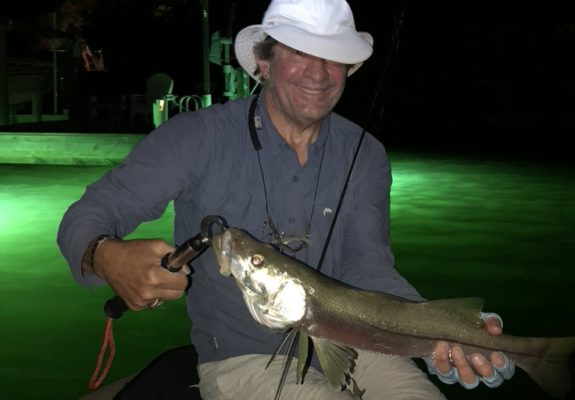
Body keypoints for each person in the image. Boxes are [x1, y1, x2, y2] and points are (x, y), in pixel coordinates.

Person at [58, 0, 514, 399]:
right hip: (244, 355)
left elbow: (368, 265)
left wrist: (444, 329)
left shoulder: (366, 154)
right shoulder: (197, 137)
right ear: (264, 62)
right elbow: (89, 214)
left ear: (349, 70)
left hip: (357, 340)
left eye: (334, 57)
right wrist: (105, 256)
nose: (318, 73)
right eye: (299, 51)